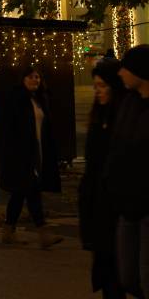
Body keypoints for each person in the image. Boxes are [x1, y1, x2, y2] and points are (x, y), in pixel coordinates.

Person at [0, 64, 62, 248]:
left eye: (37, 77)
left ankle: (8, 231)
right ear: (23, 79)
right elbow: (10, 128)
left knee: (20, 193)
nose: (35, 80)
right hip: (21, 154)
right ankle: (43, 233)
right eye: (31, 77)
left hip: (38, 151)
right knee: (31, 190)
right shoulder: (17, 99)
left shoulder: (40, 99)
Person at [82, 58, 127, 297]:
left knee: (119, 270)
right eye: (95, 86)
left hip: (117, 204)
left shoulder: (124, 117)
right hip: (99, 204)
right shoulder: (98, 117)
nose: (97, 91)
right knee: (107, 271)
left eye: (102, 86)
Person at [107, 44, 149, 296]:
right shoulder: (129, 103)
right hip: (127, 204)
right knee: (128, 276)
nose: (121, 72)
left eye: (126, 67)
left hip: (145, 206)